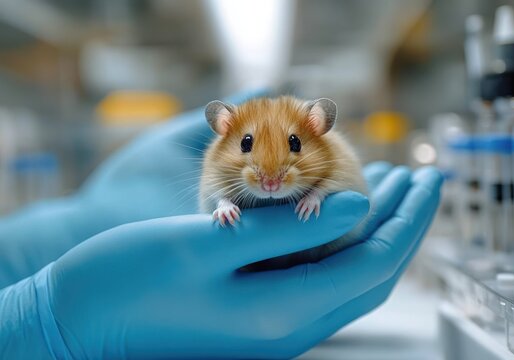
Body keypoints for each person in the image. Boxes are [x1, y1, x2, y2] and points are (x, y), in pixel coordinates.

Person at [0, 91, 442, 359]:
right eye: (247, 145)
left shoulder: (332, 154)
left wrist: (316, 193)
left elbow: (348, 181)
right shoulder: (217, 166)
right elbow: (213, 192)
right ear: (224, 130)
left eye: (292, 144)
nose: (270, 176)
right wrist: (223, 203)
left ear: (316, 128)